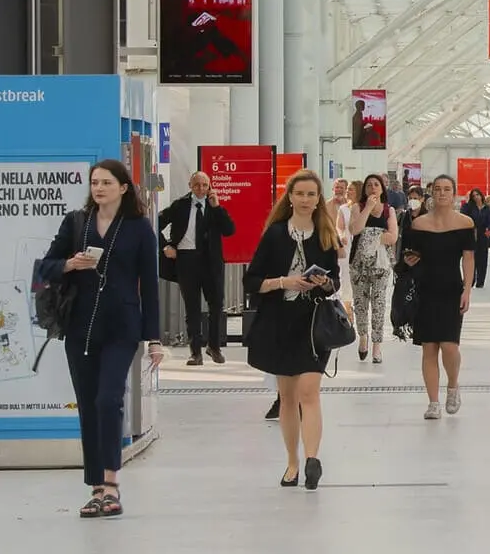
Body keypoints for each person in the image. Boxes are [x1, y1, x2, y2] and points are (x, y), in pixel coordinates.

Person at [38, 159, 162, 519]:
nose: (99, 188)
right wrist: (68, 265)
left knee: (109, 400)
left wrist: (153, 338)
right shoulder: (76, 223)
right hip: (80, 329)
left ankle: (111, 484)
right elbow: (44, 266)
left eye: (106, 182)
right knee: (89, 406)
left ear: (123, 188)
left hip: (122, 328)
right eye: (94, 182)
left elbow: (150, 287)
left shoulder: (139, 229)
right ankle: (95, 488)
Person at [243, 169, 344, 490]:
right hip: (278, 321)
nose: (305, 200)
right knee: (287, 397)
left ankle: (312, 458)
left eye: (311, 194)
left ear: (318, 200)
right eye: (299, 194)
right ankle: (292, 462)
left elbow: (334, 283)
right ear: (290, 197)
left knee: (308, 392)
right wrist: (283, 282)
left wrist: (325, 282)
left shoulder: (326, 235)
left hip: (313, 324)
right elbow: (252, 281)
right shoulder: (274, 234)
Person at [401, 175, 476, 419]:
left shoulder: (465, 223)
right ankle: (433, 402)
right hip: (426, 288)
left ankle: (452, 385)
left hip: (451, 288)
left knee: (450, 346)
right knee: (429, 347)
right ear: (432, 193)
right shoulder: (419, 224)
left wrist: (467, 289)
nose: (442, 193)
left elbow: (468, 257)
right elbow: (410, 254)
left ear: (454, 194)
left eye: (447, 189)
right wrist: (408, 260)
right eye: (438, 189)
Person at [158, 170, 235, 365]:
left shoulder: (214, 206)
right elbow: (155, 222)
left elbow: (229, 230)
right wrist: (166, 245)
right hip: (187, 259)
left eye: (204, 185)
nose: (201, 189)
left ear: (209, 186)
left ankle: (214, 347)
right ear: (190, 186)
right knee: (192, 307)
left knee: (216, 304)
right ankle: (195, 352)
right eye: (197, 185)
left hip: (211, 261)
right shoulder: (180, 205)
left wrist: (216, 207)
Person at [349, 173, 399, 363]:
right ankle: (363, 337)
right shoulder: (357, 207)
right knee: (360, 303)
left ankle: (377, 346)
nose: (372, 188)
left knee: (378, 305)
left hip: (380, 265)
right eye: (369, 185)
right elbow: (355, 230)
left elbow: (393, 236)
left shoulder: (389, 210)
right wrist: (368, 208)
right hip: (358, 264)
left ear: (382, 189)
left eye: (376, 184)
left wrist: (375, 238)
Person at [460, 188, 490, 289]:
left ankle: (480, 281)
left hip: (483, 234)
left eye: (477, 195)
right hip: (471, 234)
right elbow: (463, 216)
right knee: (471, 257)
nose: (476, 197)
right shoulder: (469, 207)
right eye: (473, 196)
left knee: (482, 259)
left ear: (481, 195)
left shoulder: (487, 209)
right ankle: (470, 280)